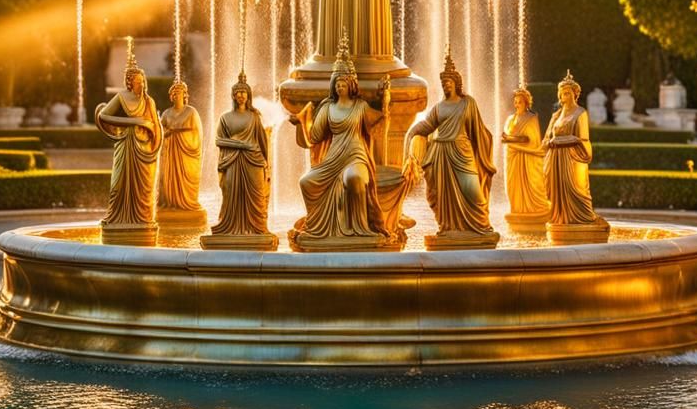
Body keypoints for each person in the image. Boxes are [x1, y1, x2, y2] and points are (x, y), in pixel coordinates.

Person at [288, 31, 394, 247]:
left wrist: (385, 101)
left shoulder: (361, 107)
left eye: (343, 81)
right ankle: (319, 228)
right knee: (306, 182)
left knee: (353, 179)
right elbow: (314, 137)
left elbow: (381, 123)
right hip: (333, 159)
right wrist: (300, 122)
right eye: (336, 82)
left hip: (356, 156)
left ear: (351, 83)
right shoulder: (327, 108)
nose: (339, 85)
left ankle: (360, 230)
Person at [404, 52, 497, 242]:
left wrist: (484, 153)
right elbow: (427, 126)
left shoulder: (467, 103)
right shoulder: (439, 107)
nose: (446, 85)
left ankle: (481, 226)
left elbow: (478, 130)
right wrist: (411, 134)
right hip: (441, 154)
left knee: (472, 191)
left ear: (456, 83)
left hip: (462, 152)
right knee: (439, 194)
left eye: (449, 82)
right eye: (444, 82)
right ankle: (447, 227)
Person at [95, 40, 162, 230]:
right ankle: (118, 217)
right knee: (119, 184)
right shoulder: (121, 97)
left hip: (143, 148)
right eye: (137, 82)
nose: (141, 85)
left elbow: (157, 127)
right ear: (129, 83)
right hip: (125, 145)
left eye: (143, 81)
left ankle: (142, 218)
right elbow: (103, 115)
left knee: (143, 187)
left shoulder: (149, 101)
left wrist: (155, 148)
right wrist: (133, 122)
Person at [543, 70, 609, 240]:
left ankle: (585, 219)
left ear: (575, 94)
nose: (565, 96)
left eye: (568, 93)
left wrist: (564, 141)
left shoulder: (580, 113)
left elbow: (583, 140)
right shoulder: (556, 115)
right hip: (556, 159)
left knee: (576, 190)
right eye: (562, 93)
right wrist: (551, 143)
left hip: (573, 159)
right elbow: (546, 139)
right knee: (557, 189)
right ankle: (563, 219)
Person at [207, 72, 274, 239]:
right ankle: (229, 227)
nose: (241, 95)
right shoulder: (225, 118)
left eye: (244, 92)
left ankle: (258, 228)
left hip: (254, 160)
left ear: (249, 95)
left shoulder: (254, 117)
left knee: (256, 194)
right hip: (232, 161)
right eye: (238, 92)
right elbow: (218, 140)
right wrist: (241, 145)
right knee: (230, 193)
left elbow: (263, 141)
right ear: (233, 95)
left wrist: (267, 163)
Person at [501, 87, 549, 228]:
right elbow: (508, 136)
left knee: (531, 183)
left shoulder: (531, 118)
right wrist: (508, 138)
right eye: (515, 102)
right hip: (512, 157)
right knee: (512, 185)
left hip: (527, 158)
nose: (517, 104)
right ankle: (517, 208)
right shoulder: (511, 119)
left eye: (520, 102)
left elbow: (530, 140)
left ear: (526, 103)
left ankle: (534, 209)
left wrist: (510, 139)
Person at [158, 80, 204, 214]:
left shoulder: (191, 112)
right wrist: (166, 133)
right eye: (174, 93)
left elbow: (197, 133)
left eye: (179, 92)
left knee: (185, 176)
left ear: (185, 95)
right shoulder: (166, 113)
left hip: (185, 152)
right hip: (170, 151)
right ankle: (170, 202)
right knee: (168, 179)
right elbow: (160, 130)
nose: (177, 95)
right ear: (171, 96)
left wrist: (180, 135)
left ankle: (185, 202)